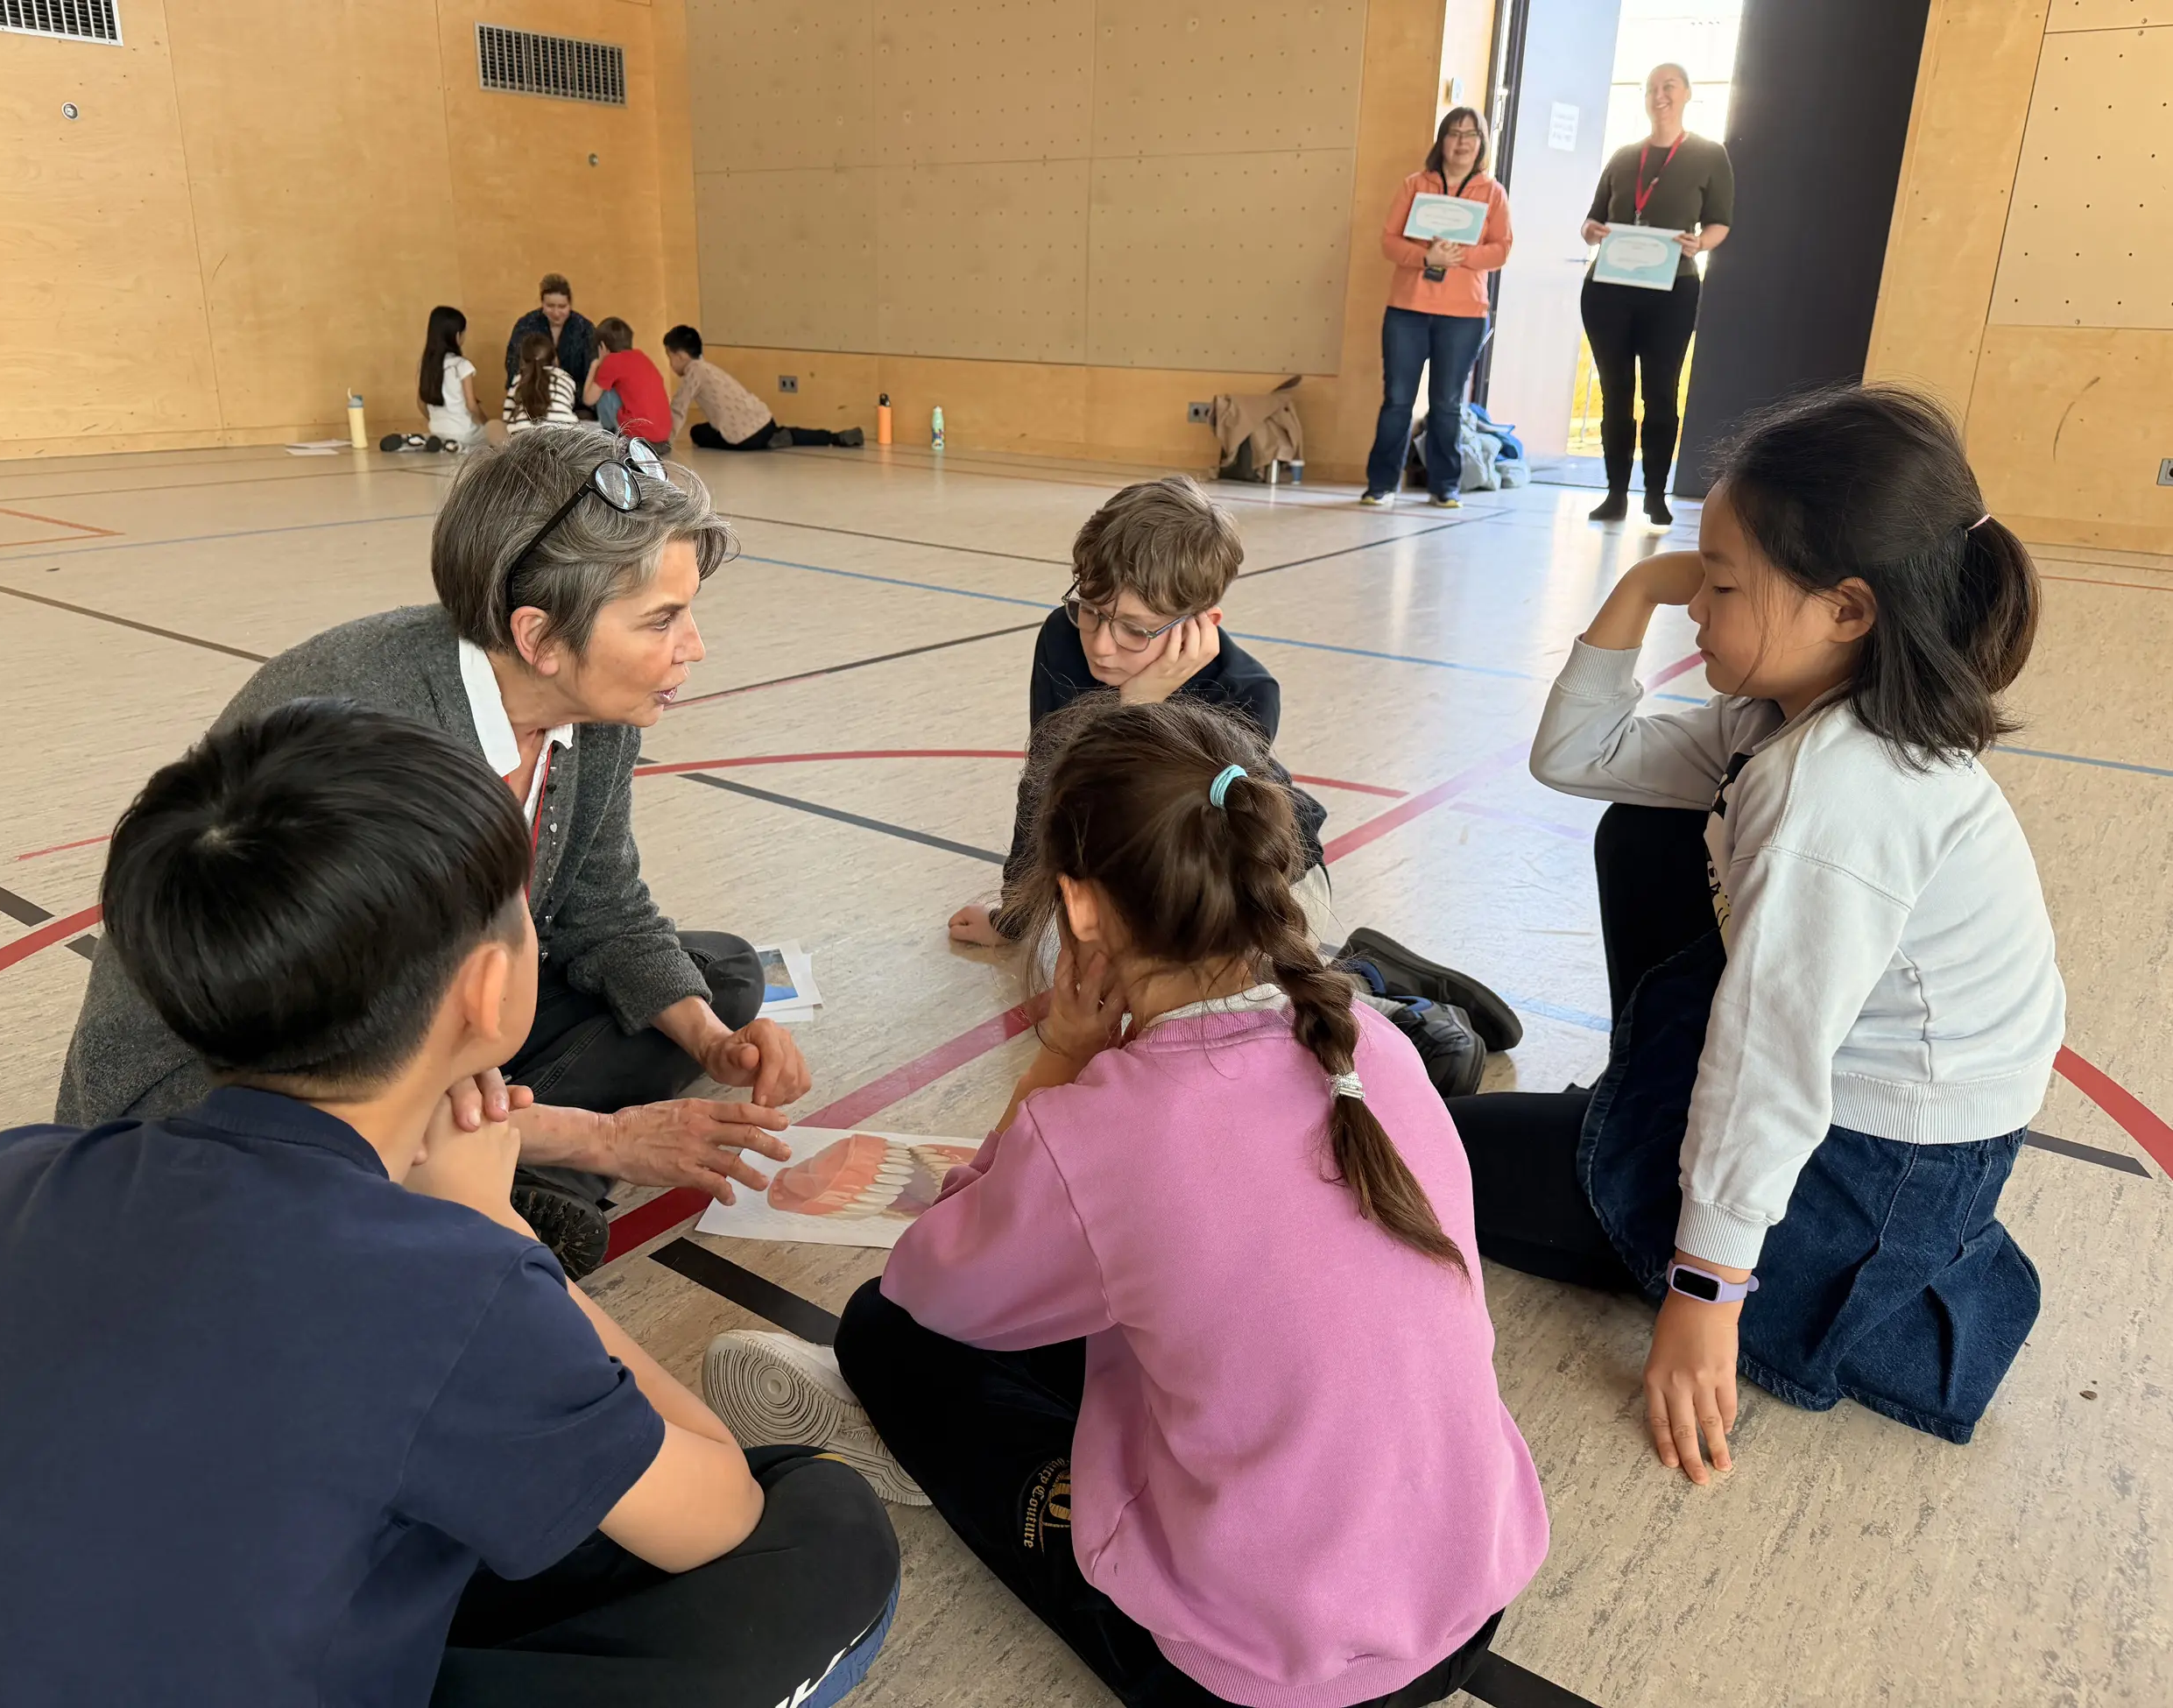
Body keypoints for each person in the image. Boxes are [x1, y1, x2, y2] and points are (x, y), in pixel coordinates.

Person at [0, 702, 900, 1707]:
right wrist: (495, 1227)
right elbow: (720, 1509)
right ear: (486, 987)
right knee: (820, 1523)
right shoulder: (455, 1285)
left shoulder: (25, 1170)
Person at [699, 698, 1548, 1708]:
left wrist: (1059, 1056)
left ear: (1080, 906)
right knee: (1150, 1308)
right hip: (1474, 1584)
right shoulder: (1369, 1041)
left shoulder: (1103, 1127)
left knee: (884, 1332)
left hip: (1259, 1678)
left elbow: (930, 1281)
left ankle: (930, 1454)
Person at [1451, 385, 2063, 1480]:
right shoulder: (1793, 710)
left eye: (1721, 584)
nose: (1696, 604)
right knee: (1643, 829)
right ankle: (1635, 1132)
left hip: (1876, 1165)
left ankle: (1744, 1239)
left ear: (1846, 610)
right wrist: (1638, 585)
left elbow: (1770, 1060)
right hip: (1872, 1109)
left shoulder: (1838, 795)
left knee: (1434, 1151)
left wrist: (1702, 1292)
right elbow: (1579, 756)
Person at [56, 432, 810, 1281]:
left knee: (720, 976)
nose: (694, 647)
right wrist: (602, 1139)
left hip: (423, 1026)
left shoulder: (594, 710)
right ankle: (493, 1188)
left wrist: (711, 1041)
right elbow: (332, 1059)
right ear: (539, 636)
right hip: (243, 1086)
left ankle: (493, 1174)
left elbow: (604, 906)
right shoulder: (367, 728)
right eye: (662, 620)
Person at [946, 476, 1329, 949]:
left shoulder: (1244, 694)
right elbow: (1046, 788)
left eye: (1134, 629)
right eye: (1091, 610)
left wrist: (1139, 708)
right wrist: (1015, 919)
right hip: (1151, 882)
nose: (1101, 646)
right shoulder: (1063, 637)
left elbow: (1184, 851)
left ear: (1200, 625)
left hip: (1253, 888)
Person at [1577, 63, 1734, 527]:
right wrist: (1592, 232)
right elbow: (1591, 221)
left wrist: (1700, 244)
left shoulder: (1709, 155)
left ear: (1687, 94)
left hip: (1671, 290)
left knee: (1661, 393)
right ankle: (1614, 494)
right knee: (1615, 392)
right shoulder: (1625, 156)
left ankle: (1654, 494)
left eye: (1669, 87)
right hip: (1608, 290)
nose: (1659, 95)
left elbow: (1720, 222)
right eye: (1651, 88)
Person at [1361, 107, 1513, 509]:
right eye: (1454, 133)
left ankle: (1445, 486)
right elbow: (1389, 241)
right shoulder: (1415, 185)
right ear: (1442, 140)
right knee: (1397, 400)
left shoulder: (1493, 192)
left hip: (1464, 315)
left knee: (1447, 403)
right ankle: (1380, 484)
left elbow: (1501, 249)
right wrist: (1426, 257)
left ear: (1481, 143)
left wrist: (1461, 256)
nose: (1462, 142)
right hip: (1407, 309)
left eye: (1470, 135)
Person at [661, 326, 864, 451]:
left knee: (698, 432)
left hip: (742, 437)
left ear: (680, 356)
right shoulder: (708, 369)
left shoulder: (693, 373)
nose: (671, 364)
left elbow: (679, 408)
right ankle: (834, 437)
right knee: (785, 432)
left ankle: (764, 442)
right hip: (764, 420)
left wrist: (665, 442)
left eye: (670, 357)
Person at [406, 304, 496, 451]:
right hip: (464, 432)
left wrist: (438, 422)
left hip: (437, 430)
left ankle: (436, 442)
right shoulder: (461, 365)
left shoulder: (426, 365)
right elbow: (471, 405)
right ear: (457, 335)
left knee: (445, 437)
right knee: (497, 432)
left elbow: (421, 403)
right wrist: (487, 424)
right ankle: (460, 446)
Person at [507, 272, 601, 410]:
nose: (556, 313)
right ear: (542, 303)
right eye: (550, 306)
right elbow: (513, 366)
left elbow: (593, 374)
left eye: (562, 307)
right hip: (533, 403)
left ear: (570, 305)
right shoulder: (526, 325)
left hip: (577, 405)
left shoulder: (584, 329)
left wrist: (565, 396)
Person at [583, 316, 674, 449]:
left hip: (638, 440)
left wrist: (595, 366)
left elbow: (588, 399)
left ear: (602, 345)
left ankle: (609, 438)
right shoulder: (641, 357)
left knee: (605, 391)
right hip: (662, 441)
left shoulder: (611, 361)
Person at [503, 330, 581, 432]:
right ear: (555, 359)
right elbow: (569, 404)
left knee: (493, 425)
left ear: (522, 361)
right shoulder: (565, 377)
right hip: (564, 435)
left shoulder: (519, 379)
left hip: (524, 436)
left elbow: (507, 417)